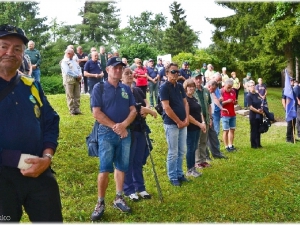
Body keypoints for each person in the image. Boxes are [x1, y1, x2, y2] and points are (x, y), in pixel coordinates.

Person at [0, 24, 62, 222]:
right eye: (4, 46)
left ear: (23, 54)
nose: (10, 52)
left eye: (17, 49)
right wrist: (16, 159)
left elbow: (51, 121)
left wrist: (47, 157)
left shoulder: (31, 85)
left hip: (39, 171)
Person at [90, 57, 137, 221]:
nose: (118, 70)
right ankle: (100, 202)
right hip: (106, 133)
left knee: (122, 167)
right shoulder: (99, 87)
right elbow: (96, 113)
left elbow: (133, 110)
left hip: (124, 133)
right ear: (107, 70)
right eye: (115, 67)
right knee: (104, 168)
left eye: (120, 68)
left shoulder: (126, 88)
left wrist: (123, 125)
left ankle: (119, 197)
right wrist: (115, 127)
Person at [122, 68, 157, 201]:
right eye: (126, 73)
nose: (130, 75)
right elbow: (133, 108)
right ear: (121, 77)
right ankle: (129, 189)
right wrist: (149, 110)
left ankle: (140, 187)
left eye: (131, 73)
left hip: (140, 128)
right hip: (129, 129)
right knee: (129, 160)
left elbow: (144, 100)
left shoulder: (136, 89)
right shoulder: (121, 91)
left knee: (139, 159)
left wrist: (147, 109)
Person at [160, 63, 189, 186]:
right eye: (173, 72)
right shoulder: (164, 88)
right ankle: (172, 176)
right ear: (166, 73)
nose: (176, 74)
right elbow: (166, 107)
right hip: (172, 124)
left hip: (183, 122)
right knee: (173, 152)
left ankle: (179, 173)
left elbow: (186, 103)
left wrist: (186, 119)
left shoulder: (180, 86)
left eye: (177, 72)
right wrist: (178, 122)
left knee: (182, 150)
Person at [183, 78, 206, 177]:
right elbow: (187, 115)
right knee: (191, 148)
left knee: (194, 147)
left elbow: (199, 111)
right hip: (191, 127)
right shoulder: (185, 100)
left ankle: (193, 168)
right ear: (185, 87)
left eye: (193, 86)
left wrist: (203, 122)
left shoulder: (194, 98)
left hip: (198, 126)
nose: (191, 88)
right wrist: (199, 124)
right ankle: (190, 169)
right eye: (189, 86)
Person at [61, 48, 82, 115]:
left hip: (76, 80)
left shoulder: (73, 61)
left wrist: (80, 74)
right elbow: (67, 71)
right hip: (69, 81)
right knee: (70, 96)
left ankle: (77, 109)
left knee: (77, 95)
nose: (73, 55)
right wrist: (77, 76)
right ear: (68, 53)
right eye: (73, 54)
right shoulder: (64, 61)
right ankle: (72, 110)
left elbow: (79, 68)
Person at [220, 79, 237, 151]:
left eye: (231, 87)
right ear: (225, 85)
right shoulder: (221, 91)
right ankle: (226, 146)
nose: (229, 89)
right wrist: (226, 101)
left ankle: (231, 145)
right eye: (228, 87)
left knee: (232, 129)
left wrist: (235, 102)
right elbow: (219, 104)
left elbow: (234, 100)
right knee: (226, 130)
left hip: (232, 113)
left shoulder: (233, 91)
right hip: (225, 114)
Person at [246, 80, 264, 148]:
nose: (253, 87)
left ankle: (258, 144)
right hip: (253, 115)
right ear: (248, 87)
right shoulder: (249, 96)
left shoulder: (256, 94)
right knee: (254, 129)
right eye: (251, 86)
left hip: (259, 114)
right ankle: (253, 145)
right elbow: (250, 107)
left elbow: (260, 102)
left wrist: (261, 109)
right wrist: (257, 111)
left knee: (259, 129)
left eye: (253, 85)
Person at [282, 76, 297, 143]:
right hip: (289, 110)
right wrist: (286, 109)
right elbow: (283, 100)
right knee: (290, 124)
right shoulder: (285, 89)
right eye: (291, 81)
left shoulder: (292, 89)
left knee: (294, 123)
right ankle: (288, 139)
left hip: (293, 109)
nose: (292, 82)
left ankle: (293, 137)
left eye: (293, 81)